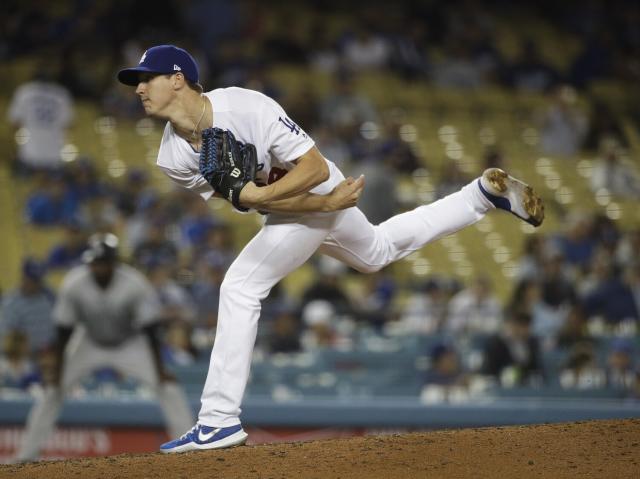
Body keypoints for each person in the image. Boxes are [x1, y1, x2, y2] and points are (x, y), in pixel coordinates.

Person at [116, 44, 544, 452]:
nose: (138, 88)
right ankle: (479, 197)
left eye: (146, 78)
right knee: (375, 253)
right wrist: (317, 205)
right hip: (303, 202)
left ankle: (218, 418)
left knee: (240, 288)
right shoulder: (172, 158)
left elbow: (314, 166)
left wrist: (311, 198)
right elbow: (249, 201)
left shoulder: (245, 106)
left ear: (177, 80)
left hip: (316, 181)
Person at [15, 233, 194, 462]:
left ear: (113, 263)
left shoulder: (134, 284)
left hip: (129, 343)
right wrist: (58, 371)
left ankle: (189, 453)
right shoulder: (74, 283)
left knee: (168, 387)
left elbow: (150, 329)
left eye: (102, 263)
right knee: (52, 390)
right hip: (88, 342)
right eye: (94, 263)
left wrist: (159, 369)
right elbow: (63, 331)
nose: (97, 267)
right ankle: (25, 456)